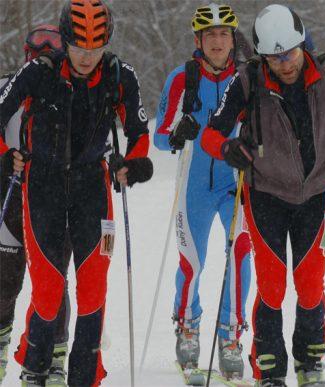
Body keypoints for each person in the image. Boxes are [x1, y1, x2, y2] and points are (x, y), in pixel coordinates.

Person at [201, 4, 325, 387]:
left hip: (316, 193)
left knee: (311, 285)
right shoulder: (249, 80)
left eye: (292, 52)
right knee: (273, 284)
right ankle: (269, 366)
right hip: (266, 196)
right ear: (263, 56)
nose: (287, 63)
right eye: (276, 57)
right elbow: (213, 133)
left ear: (301, 45)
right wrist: (228, 149)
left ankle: (311, 358)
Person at [0, 0, 153, 385]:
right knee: (49, 291)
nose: (88, 58)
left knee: (92, 290)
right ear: (65, 41)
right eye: (80, 48)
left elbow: (139, 134)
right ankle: (34, 370)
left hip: (92, 188)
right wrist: (6, 156)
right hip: (42, 186)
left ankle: (85, 377)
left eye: (95, 49)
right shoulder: (39, 72)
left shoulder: (120, 75)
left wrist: (132, 164)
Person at [154, 3, 251, 378]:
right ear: (198, 40)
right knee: (191, 262)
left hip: (233, 183)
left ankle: (230, 335)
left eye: (223, 33)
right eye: (210, 35)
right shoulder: (182, 78)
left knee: (240, 257)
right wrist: (177, 134)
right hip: (194, 185)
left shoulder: (245, 78)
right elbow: (159, 138)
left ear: (232, 39)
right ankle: (188, 327)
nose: (217, 41)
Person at [0, 25, 72, 387]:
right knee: (5, 278)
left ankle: (54, 355)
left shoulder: (71, 89)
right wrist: (5, 156)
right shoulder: (9, 86)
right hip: (12, 195)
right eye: (36, 51)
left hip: (54, 200)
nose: (43, 57)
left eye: (52, 50)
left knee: (54, 281)